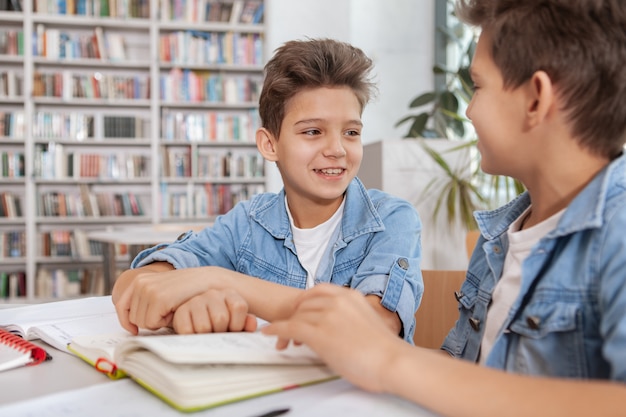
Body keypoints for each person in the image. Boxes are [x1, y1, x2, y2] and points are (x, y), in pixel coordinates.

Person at [262, 1, 626, 416]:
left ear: (536, 98)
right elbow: (467, 374)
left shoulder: (618, 228)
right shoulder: (502, 238)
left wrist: (387, 358)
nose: (468, 110)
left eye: (478, 86)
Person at [111, 38, 423, 342]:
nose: (338, 149)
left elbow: (375, 325)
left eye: (351, 132)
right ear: (269, 144)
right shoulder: (248, 223)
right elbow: (138, 281)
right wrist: (180, 297)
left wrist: (217, 280)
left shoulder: (392, 218)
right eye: (313, 131)